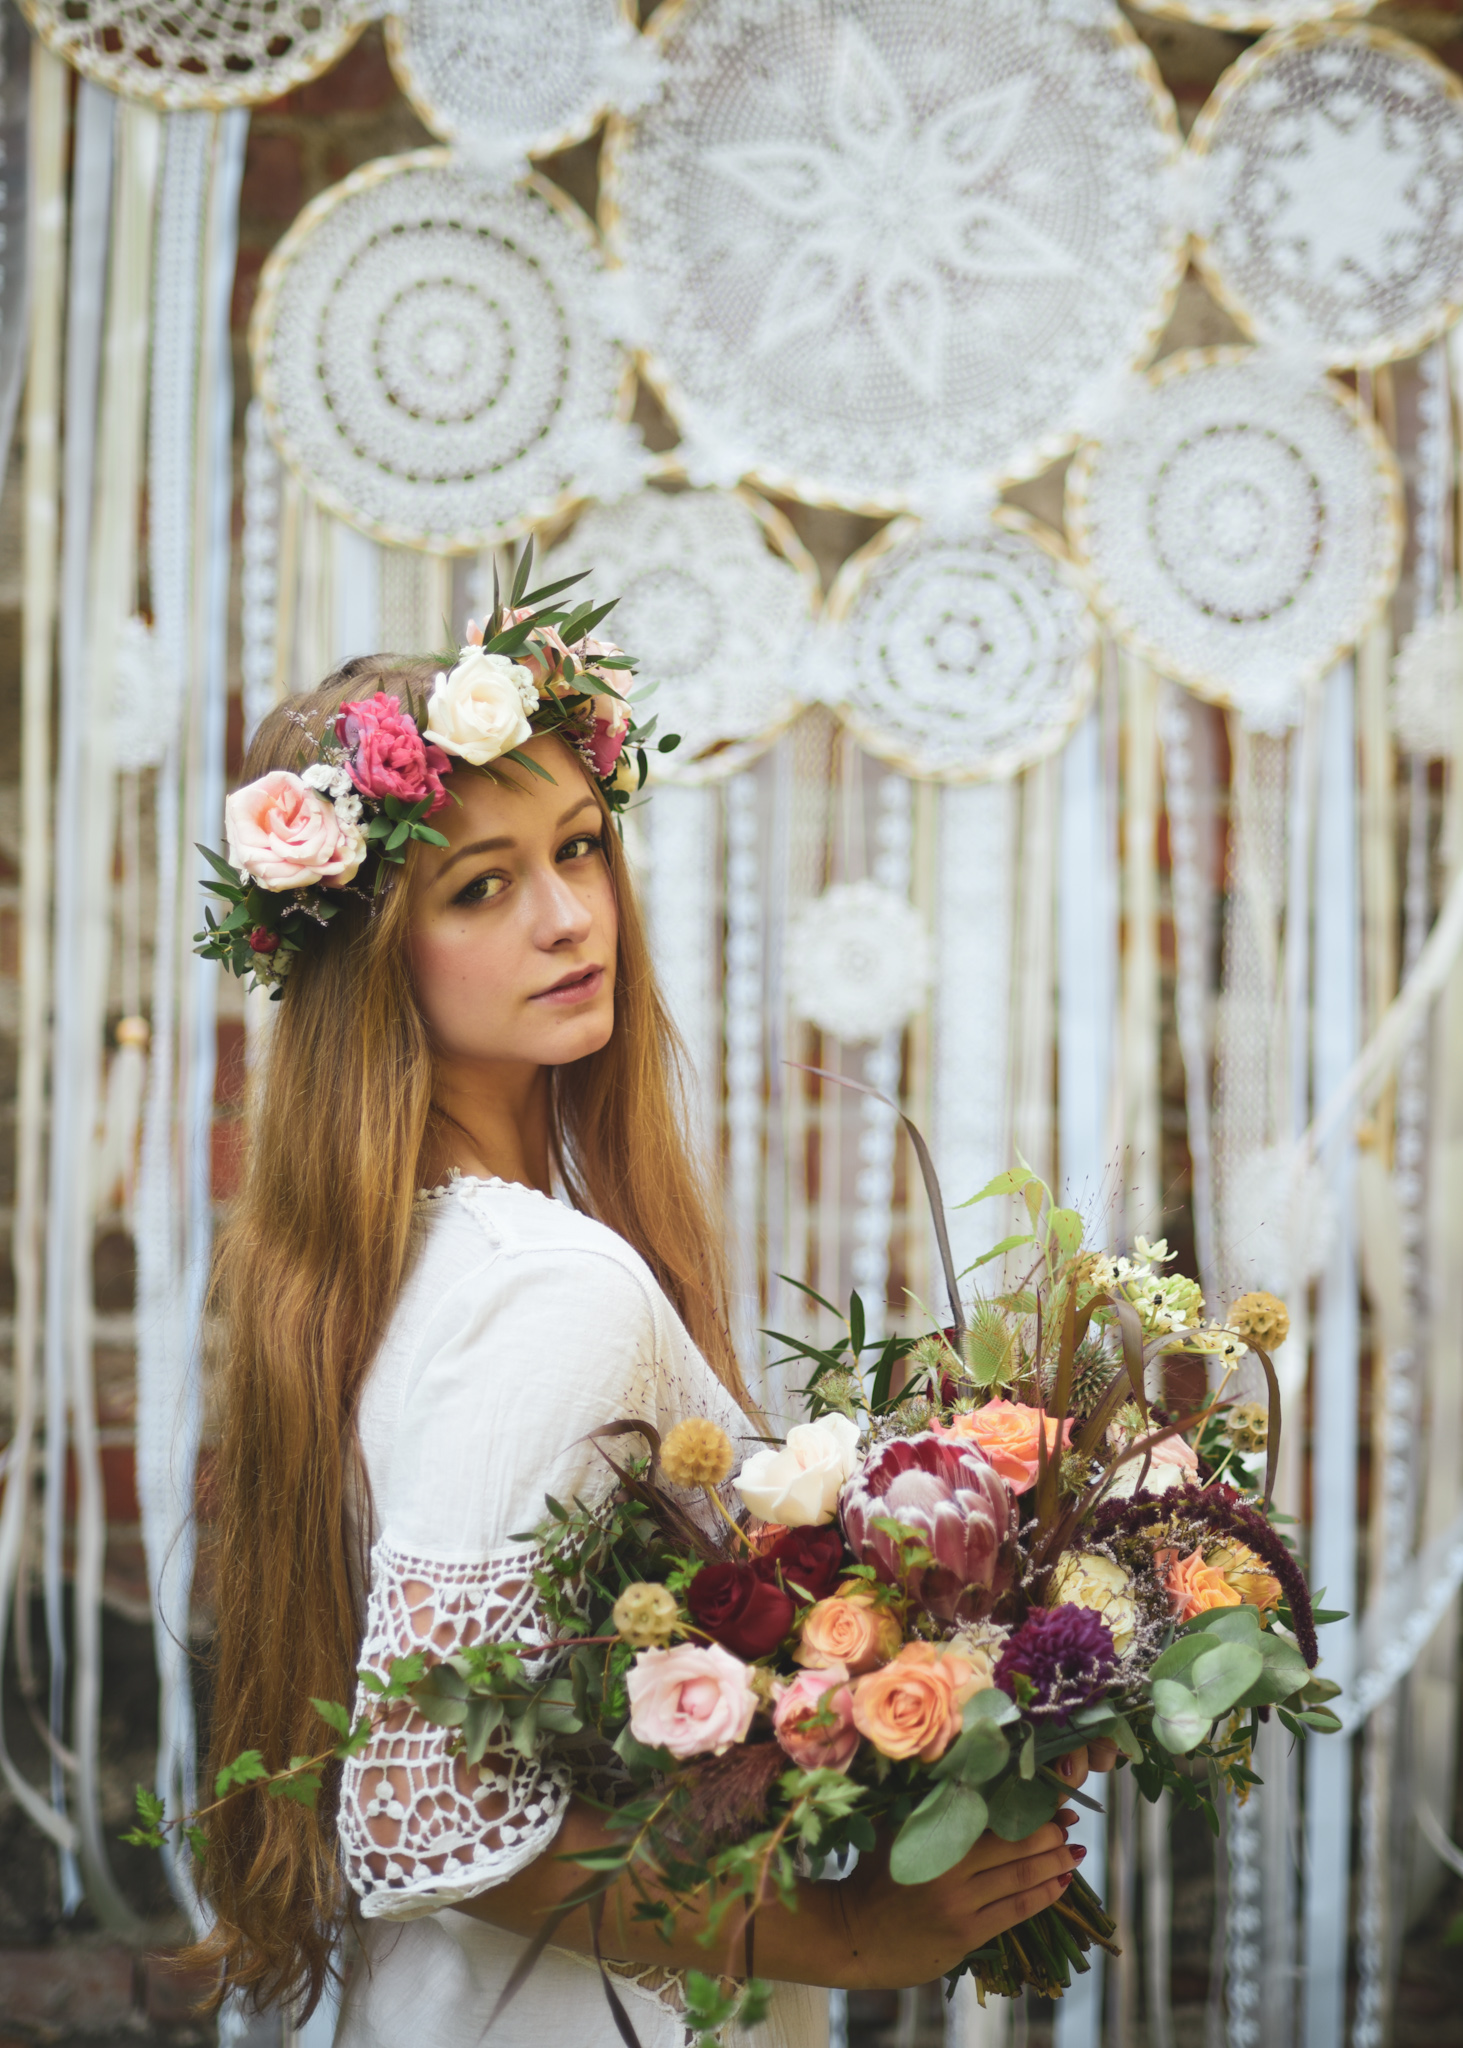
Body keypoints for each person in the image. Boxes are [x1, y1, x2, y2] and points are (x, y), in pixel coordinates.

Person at [190, 600, 1112, 2048]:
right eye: (480, 888)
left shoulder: (387, 1261)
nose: (568, 915)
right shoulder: (548, 1284)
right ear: (373, 953)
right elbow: (423, 1805)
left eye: (576, 851)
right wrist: (849, 1936)